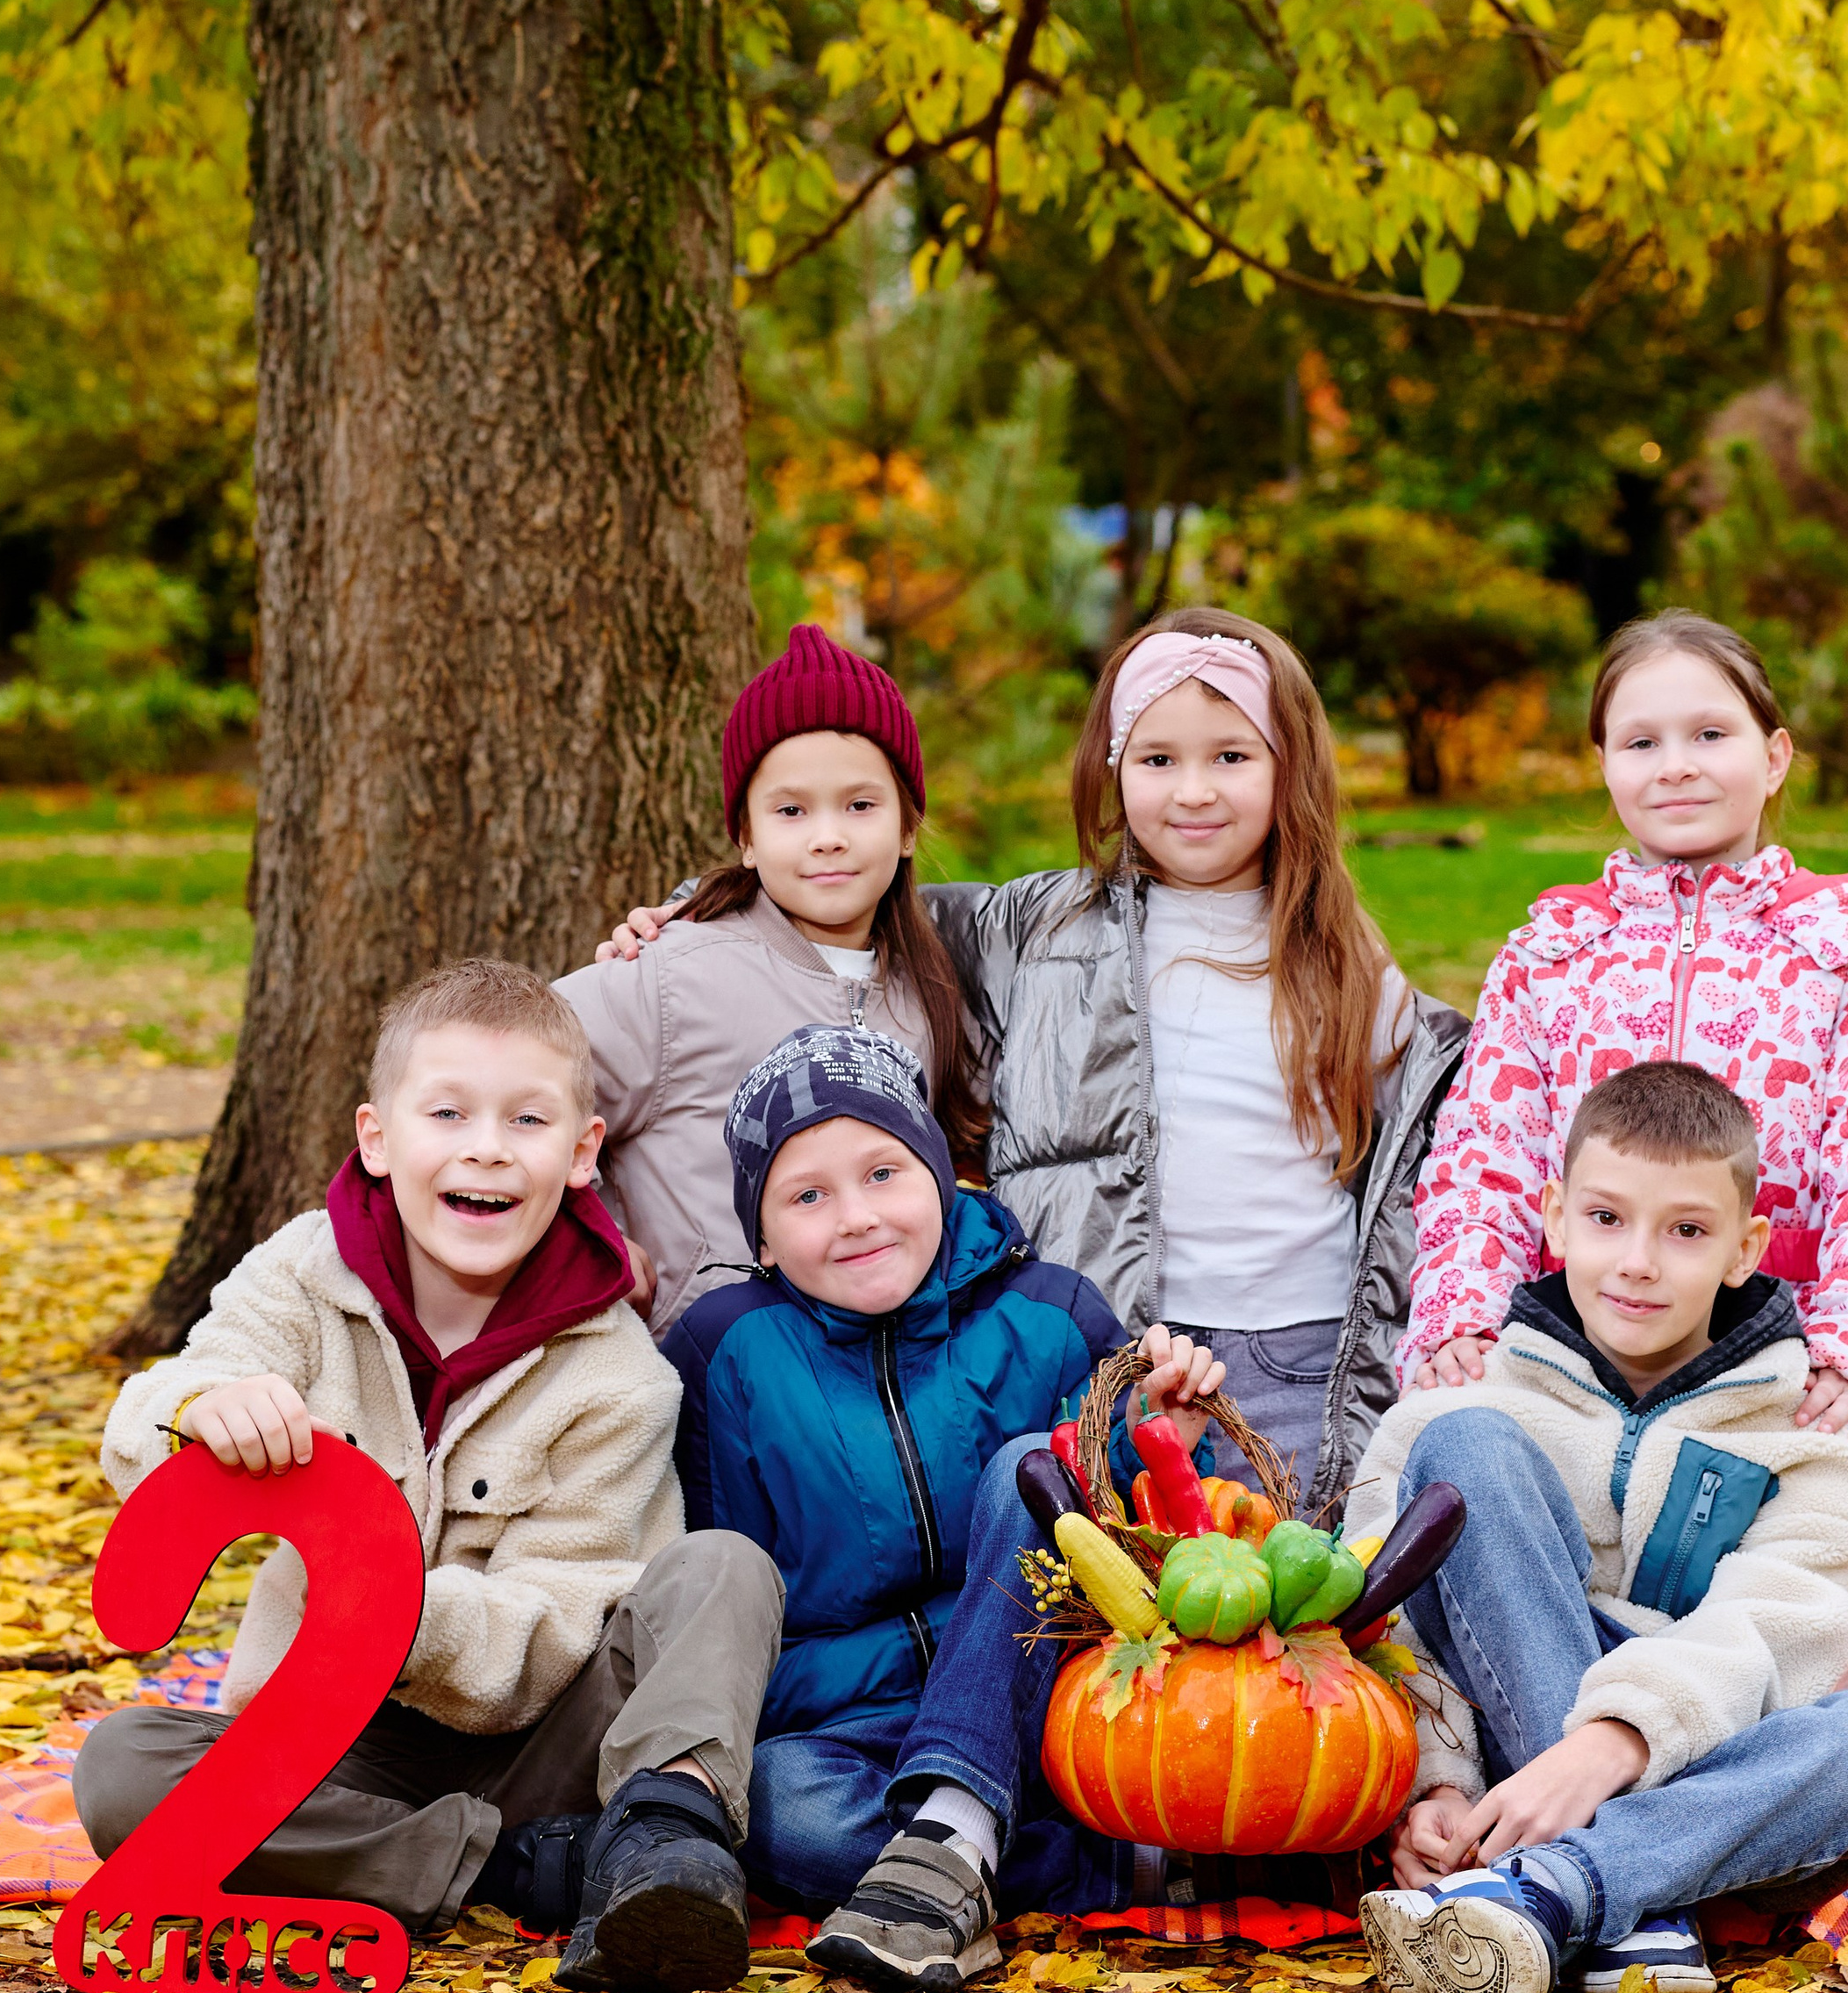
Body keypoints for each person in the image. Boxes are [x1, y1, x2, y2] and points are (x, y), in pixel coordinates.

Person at [610, 608, 1467, 1509]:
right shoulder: (1039, 928)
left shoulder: (1344, 959)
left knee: (1286, 1603)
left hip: (1301, 1349)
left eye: (1231, 756)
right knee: (1115, 1611)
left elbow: (1422, 1144)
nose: (1193, 791)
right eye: (1157, 760)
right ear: (1112, 768)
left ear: (1289, 765)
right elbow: (848, 893)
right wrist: (697, 911)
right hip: (1110, 1347)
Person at [75, 959, 784, 1993]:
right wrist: (197, 1412)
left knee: (722, 1569)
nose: (486, 1146)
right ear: (377, 1137)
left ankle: (660, 1837)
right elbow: (157, 1411)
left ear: (584, 1153)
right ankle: (523, 1869)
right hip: (335, 1748)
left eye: (528, 1121)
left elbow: (562, 1617)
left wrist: (392, 1615)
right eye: (446, 1111)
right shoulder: (304, 1275)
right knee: (124, 1769)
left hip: (543, 1745)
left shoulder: (618, 1370)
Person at [1351, 1058, 1848, 1993]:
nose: (1637, 1262)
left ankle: (1557, 1889)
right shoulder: (1445, 1415)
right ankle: (1616, 1904)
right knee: (1470, 1454)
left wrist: (1610, 1745)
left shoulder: (1812, 1451)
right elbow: (1378, 1623)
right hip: (1503, 1772)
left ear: (1745, 1248)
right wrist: (1437, 1787)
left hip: (1700, 1776)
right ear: (1552, 1216)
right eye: (1607, 1219)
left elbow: (1774, 1634)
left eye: (1687, 1232)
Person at [1402, 609, 1848, 1630]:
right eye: (1640, 742)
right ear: (1605, 765)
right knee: (1568, 1600)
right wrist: (1462, 1315)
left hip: (1770, 1357)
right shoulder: (1553, 954)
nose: (1677, 768)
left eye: (1711, 735)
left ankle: (1770, 1756)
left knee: (1764, 1614)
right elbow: (1483, 1151)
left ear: (1774, 754)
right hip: (1579, 1341)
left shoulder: (1841, 952)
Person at [664, 1020, 1224, 1993]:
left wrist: (1159, 1431)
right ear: (759, 1233)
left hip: (1041, 1705)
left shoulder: (1052, 1314)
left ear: (939, 1171)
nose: (855, 1217)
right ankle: (1041, 1859)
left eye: (884, 1172)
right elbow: (732, 1598)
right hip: (848, 1728)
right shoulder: (726, 1351)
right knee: (780, 1811)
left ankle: (952, 1841)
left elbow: (1141, 1546)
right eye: (806, 1196)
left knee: (1027, 1468)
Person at [556, 623, 986, 1338]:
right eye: (791, 811)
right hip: (699, 1381)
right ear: (747, 838)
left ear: (909, 826)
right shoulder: (672, 973)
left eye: (860, 805)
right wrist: (593, 1243)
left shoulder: (929, 995)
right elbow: (515, 1087)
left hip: (870, 1393)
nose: (828, 836)